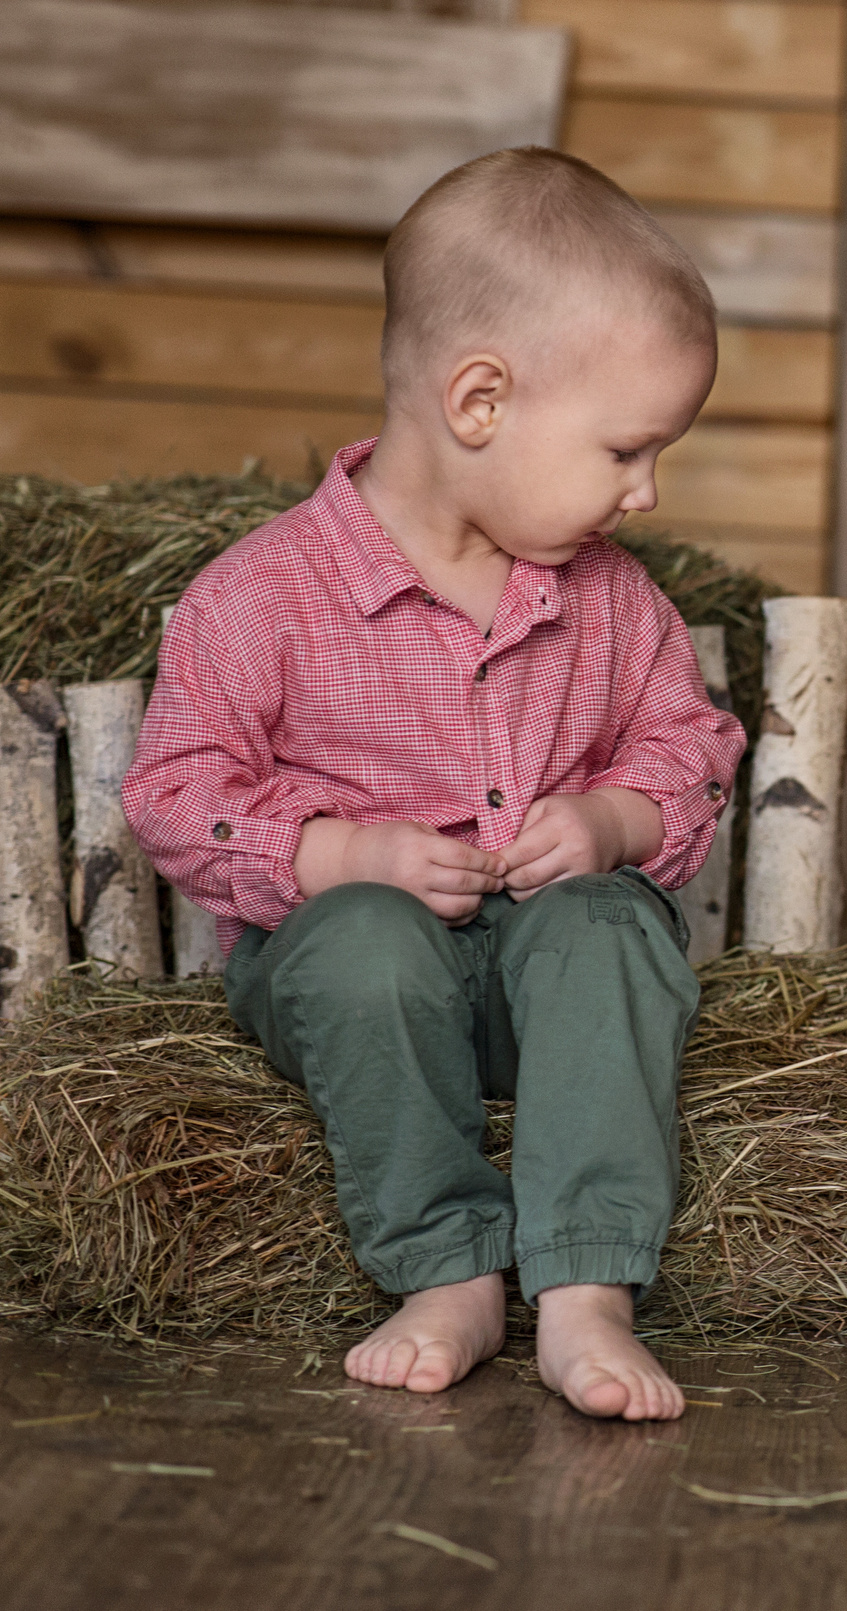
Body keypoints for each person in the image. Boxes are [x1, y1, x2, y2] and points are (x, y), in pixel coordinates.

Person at [123, 147, 745, 1423]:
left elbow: (689, 747)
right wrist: (337, 854)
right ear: (478, 403)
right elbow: (174, 792)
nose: (649, 492)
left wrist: (616, 819)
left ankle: (585, 1283)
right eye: (627, 450)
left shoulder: (615, 603)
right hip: (356, 988)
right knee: (365, 943)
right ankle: (446, 1267)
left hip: (535, 983)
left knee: (610, 927)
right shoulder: (261, 599)